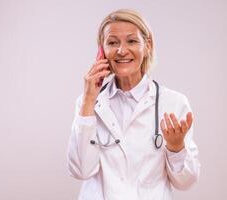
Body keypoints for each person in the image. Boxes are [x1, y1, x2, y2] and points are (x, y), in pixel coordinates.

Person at [66, 9, 200, 200]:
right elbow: (80, 171)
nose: (121, 50)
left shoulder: (173, 103)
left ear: (147, 46)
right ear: (101, 50)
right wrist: (88, 101)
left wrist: (176, 148)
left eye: (131, 41)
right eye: (112, 42)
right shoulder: (87, 103)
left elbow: (186, 182)